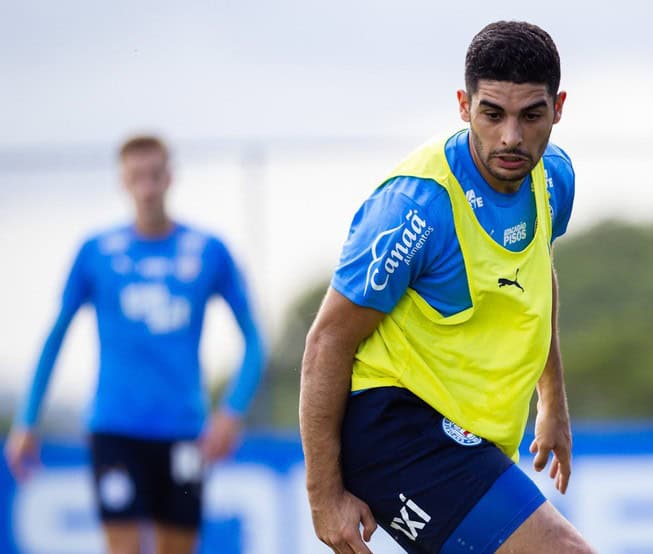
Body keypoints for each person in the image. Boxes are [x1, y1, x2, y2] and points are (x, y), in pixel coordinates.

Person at [300, 21, 595, 554]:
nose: (511, 137)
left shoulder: (555, 178)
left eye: (531, 115)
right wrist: (323, 497)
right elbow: (327, 341)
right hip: (395, 429)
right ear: (464, 105)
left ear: (559, 108)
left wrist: (553, 399)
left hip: (471, 438)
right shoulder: (416, 206)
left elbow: (534, 280)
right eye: (492, 113)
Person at [3, 135, 266, 554]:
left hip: (183, 431)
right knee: (123, 548)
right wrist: (27, 420)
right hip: (114, 429)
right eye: (136, 176)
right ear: (123, 182)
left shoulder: (208, 251)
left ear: (170, 178)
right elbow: (55, 337)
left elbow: (254, 339)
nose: (147, 187)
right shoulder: (96, 252)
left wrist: (232, 412)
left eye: (154, 175)